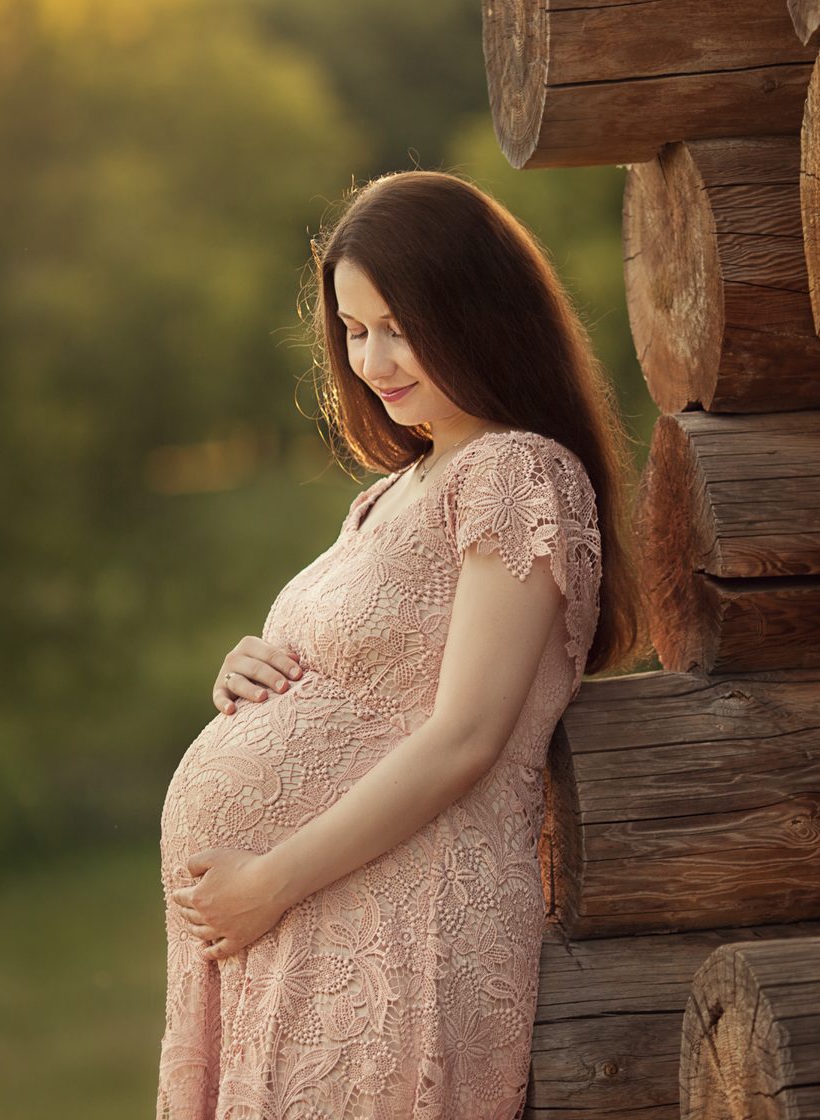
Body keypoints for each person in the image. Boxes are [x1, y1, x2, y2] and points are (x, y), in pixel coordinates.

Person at [156, 169, 646, 1119]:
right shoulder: (394, 489)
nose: (372, 359)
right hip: (298, 926)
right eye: (353, 328)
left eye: (398, 326)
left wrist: (266, 882)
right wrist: (246, 672)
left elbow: (465, 736)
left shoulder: (516, 473)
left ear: (478, 311)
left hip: (394, 928)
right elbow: (365, 680)